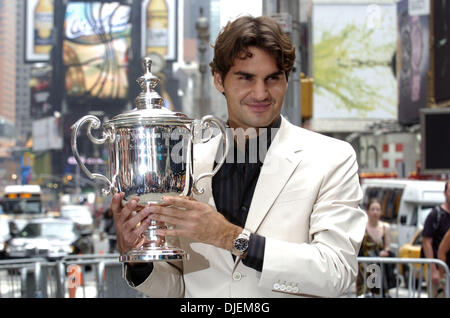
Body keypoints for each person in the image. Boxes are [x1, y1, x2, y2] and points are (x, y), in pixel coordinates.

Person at [111, 15, 367, 298]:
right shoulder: (187, 163)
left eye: (273, 78)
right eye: (246, 77)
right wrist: (136, 256)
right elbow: (177, 288)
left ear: (286, 79)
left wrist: (231, 238)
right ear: (219, 79)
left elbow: (337, 274)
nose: (260, 93)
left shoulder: (331, 157)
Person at [356, 198, 394, 297]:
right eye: (373, 209)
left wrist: (385, 252)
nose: (375, 212)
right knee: (364, 295)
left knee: (379, 295)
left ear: (381, 212)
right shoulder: (362, 227)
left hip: (379, 269)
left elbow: (387, 247)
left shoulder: (386, 227)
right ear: (367, 211)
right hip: (364, 269)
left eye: (378, 209)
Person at [422, 180, 450, 297]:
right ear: (445, 193)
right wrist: (434, 270)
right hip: (439, 268)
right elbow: (427, 242)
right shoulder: (435, 214)